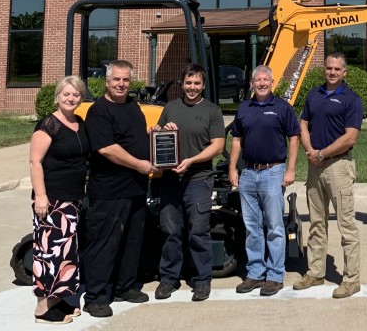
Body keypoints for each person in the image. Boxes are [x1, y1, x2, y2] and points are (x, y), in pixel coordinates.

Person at [82, 60, 157, 318]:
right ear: (107, 81)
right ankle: (96, 297)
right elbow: (107, 149)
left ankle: (125, 287)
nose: (122, 84)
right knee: (104, 244)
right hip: (109, 191)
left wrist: (157, 135)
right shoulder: (100, 110)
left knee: (131, 242)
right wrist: (138, 165)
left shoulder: (132, 106)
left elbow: (137, 137)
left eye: (126, 80)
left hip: (135, 188)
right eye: (117, 80)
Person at [152, 63, 226, 302]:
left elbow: (218, 146)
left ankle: (202, 280)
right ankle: (168, 279)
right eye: (188, 83)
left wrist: (191, 160)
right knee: (170, 231)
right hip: (171, 179)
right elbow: (160, 136)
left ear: (203, 85)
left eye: (197, 83)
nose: (192, 87)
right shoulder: (170, 108)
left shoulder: (212, 111)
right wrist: (158, 130)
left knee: (198, 230)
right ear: (182, 84)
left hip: (198, 179)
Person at [292, 52, 363, 299]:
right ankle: (315, 272)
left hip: (338, 166)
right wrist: (310, 150)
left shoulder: (351, 99)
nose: (332, 72)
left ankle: (352, 279)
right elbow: (303, 123)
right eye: (328, 68)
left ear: (344, 72)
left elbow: (350, 137)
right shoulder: (314, 94)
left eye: (337, 69)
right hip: (315, 165)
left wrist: (322, 154)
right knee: (316, 223)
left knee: (346, 225)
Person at [228, 65, 299, 297]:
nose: (261, 83)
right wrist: (232, 168)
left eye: (265, 80)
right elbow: (237, 140)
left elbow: (294, 138)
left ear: (272, 82)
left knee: (275, 227)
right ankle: (255, 272)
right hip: (248, 173)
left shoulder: (282, 108)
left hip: (273, 172)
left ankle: (275, 275)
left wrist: (290, 170)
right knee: (252, 227)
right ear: (252, 83)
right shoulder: (244, 108)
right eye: (257, 80)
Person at [29, 76, 90, 324]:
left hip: (73, 198)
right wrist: (41, 196)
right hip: (52, 199)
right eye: (66, 94)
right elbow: (35, 162)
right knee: (48, 252)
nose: (70, 98)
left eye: (75, 95)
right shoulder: (49, 125)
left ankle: (59, 298)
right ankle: (43, 309)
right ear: (57, 96)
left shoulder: (79, 122)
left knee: (66, 252)